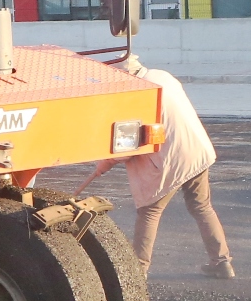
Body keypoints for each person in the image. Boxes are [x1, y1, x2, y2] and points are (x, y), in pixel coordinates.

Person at [80, 55, 234, 278]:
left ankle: (138, 272)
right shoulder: (163, 77)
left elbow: (125, 146)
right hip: (196, 149)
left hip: (168, 159)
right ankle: (222, 262)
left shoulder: (135, 95)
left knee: (149, 211)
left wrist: (103, 164)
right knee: (201, 206)